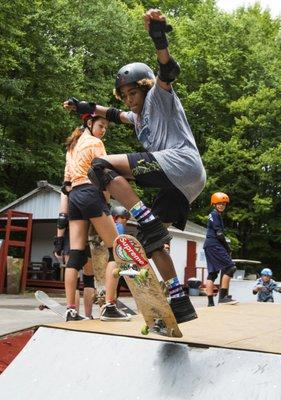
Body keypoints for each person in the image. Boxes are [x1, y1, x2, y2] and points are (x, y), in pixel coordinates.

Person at [64, 9, 205, 323]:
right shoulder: (136, 117)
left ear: (144, 87)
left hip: (180, 162)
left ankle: (144, 217)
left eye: (133, 93)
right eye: (125, 95)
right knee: (150, 242)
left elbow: (168, 69)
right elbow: (112, 113)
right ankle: (180, 302)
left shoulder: (158, 96)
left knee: (99, 167)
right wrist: (84, 107)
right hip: (184, 183)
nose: (129, 100)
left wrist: (158, 37)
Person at [59, 109, 129, 322]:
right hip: (91, 193)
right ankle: (109, 306)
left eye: (106, 127)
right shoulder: (95, 144)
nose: (104, 131)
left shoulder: (73, 147)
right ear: (89, 123)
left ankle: (71, 310)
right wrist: (106, 201)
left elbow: (67, 182)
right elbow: (103, 174)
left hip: (75, 197)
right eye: (101, 126)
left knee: (76, 254)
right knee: (116, 250)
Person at [53, 193, 95, 319]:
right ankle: (89, 316)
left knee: (74, 277)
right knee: (89, 279)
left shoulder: (68, 187)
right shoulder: (94, 183)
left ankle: (73, 313)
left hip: (72, 237)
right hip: (90, 235)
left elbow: (62, 217)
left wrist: (58, 243)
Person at [203, 192, 237, 306]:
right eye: (219, 204)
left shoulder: (213, 215)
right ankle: (223, 297)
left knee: (212, 273)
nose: (222, 206)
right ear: (214, 204)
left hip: (209, 245)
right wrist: (227, 248)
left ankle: (210, 302)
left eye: (224, 204)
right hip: (214, 244)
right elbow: (219, 233)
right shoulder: (215, 214)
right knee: (230, 267)